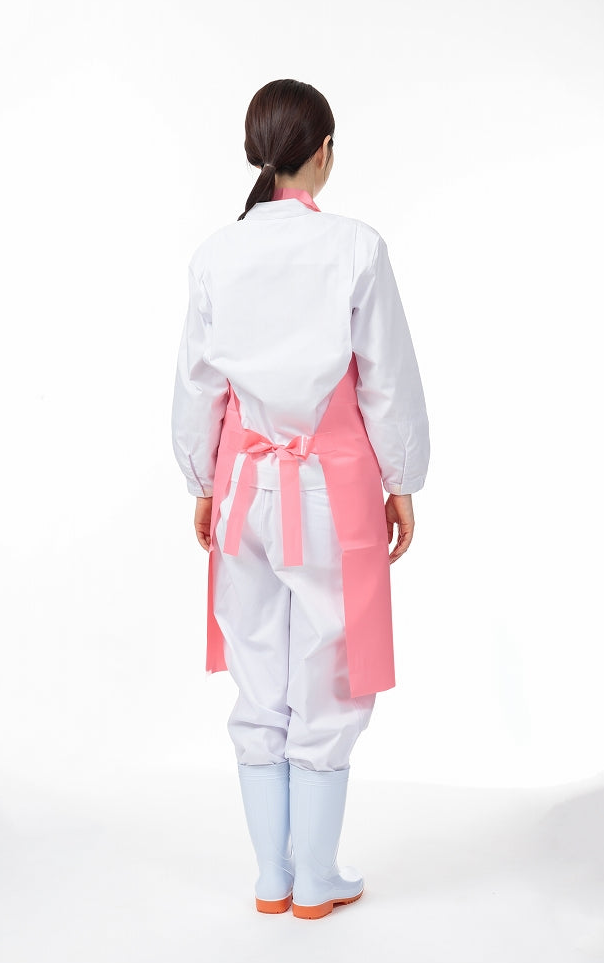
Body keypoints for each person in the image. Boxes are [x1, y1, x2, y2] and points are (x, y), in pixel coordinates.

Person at [171, 78, 430, 919]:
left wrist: (203, 483)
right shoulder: (355, 247)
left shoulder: (215, 254)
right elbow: (386, 377)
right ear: (323, 152)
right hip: (332, 489)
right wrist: (402, 479)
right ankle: (316, 876)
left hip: (244, 485)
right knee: (330, 670)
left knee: (259, 675)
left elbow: (197, 386)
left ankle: (271, 877)